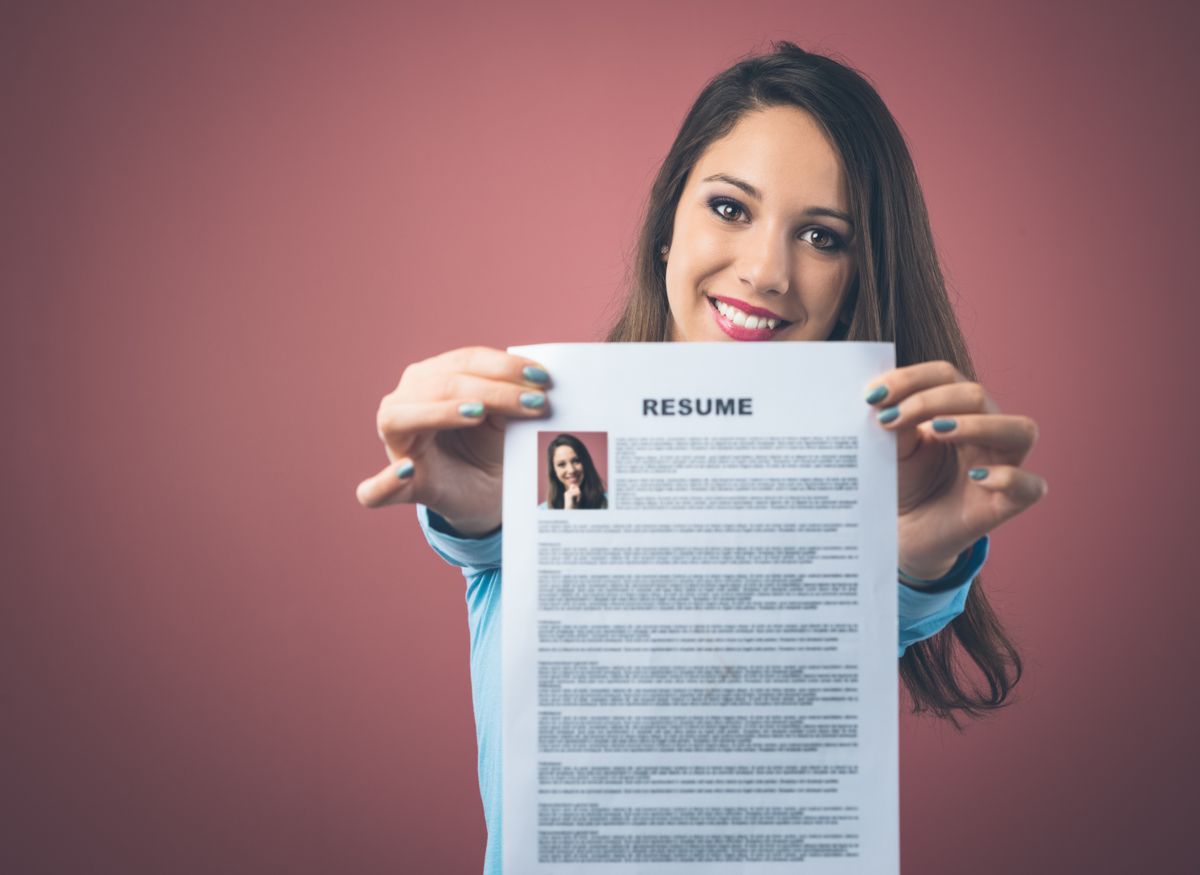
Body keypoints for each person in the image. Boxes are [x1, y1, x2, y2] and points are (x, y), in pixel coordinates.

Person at [355, 41, 1046, 874]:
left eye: (822, 236)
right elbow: (490, 534)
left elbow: (888, 602)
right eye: (729, 209)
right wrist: (479, 508)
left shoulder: (864, 499)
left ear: (858, 279)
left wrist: (913, 551)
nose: (765, 270)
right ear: (666, 229)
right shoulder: (558, 447)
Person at [542, 433, 607, 509]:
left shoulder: (610, 502)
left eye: (576, 461)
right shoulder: (542, 510)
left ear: (586, 462)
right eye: (561, 464)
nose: (571, 470)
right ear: (554, 471)